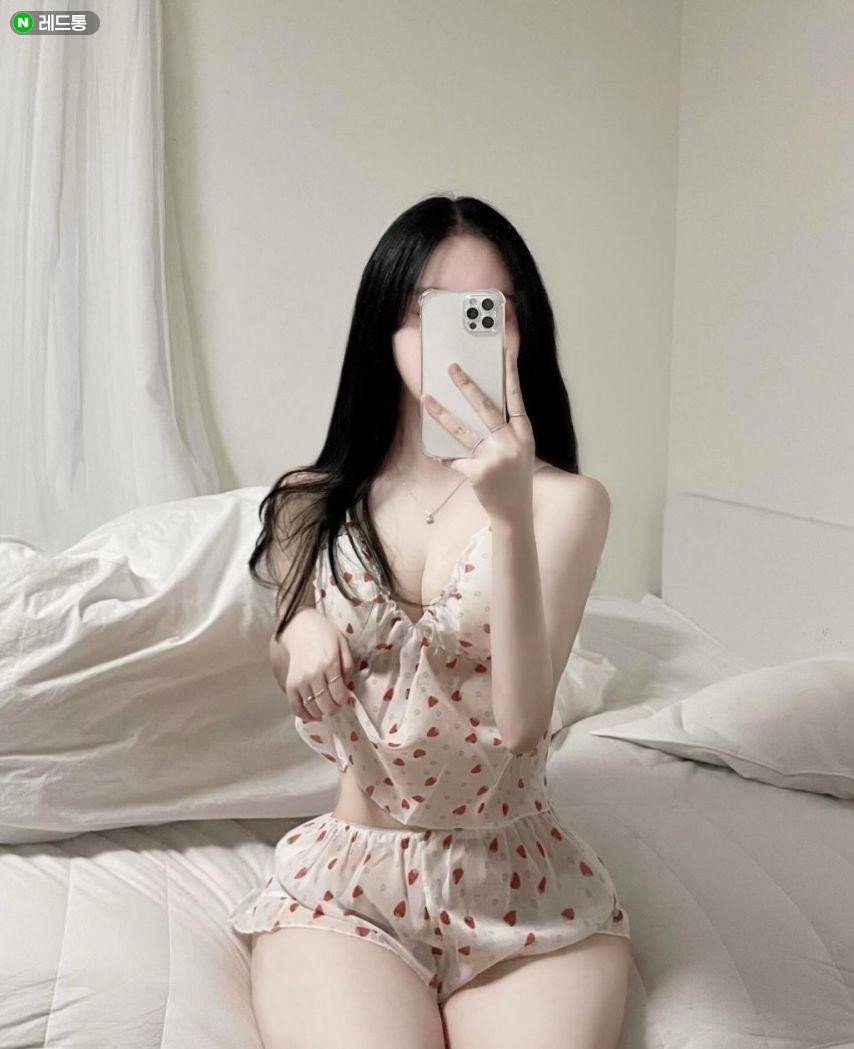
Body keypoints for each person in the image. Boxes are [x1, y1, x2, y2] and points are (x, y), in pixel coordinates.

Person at [228, 194, 632, 1049]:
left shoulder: (568, 504)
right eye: (425, 311)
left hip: (518, 877)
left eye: (486, 311)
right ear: (385, 327)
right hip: (350, 883)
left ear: (521, 331)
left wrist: (510, 517)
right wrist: (296, 632)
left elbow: (522, 721)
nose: (452, 338)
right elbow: (293, 650)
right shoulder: (309, 502)